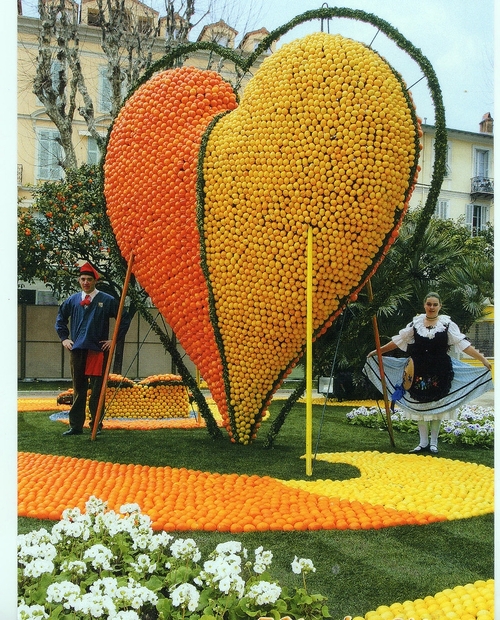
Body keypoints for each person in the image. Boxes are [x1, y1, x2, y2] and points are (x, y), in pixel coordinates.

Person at [364, 292, 493, 454]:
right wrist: (378, 351)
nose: (431, 307)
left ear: (440, 306)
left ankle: (434, 443)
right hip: (418, 369)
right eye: (429, 304)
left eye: (435, 304)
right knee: (421, 405)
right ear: (424, 305)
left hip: (440, 370)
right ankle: (422, 442)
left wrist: (483, 359)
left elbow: (464, 345)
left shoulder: (447, 324)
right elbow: (398, 341)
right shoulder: (416, 323)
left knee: (437, 406)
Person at [55, 262, 131, 436]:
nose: (86, 282)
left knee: (97, 390)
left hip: (97, 352)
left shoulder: (107, 300)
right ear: (79, 280)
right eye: (83, 279)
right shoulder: (73, 300)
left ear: (95, 281)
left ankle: (96, 424)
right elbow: (60, 318)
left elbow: (123, 318)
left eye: (89, 279)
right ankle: (75, 426)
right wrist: (64, 338)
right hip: (77, 351)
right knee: (78, 389)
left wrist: (114, 340)